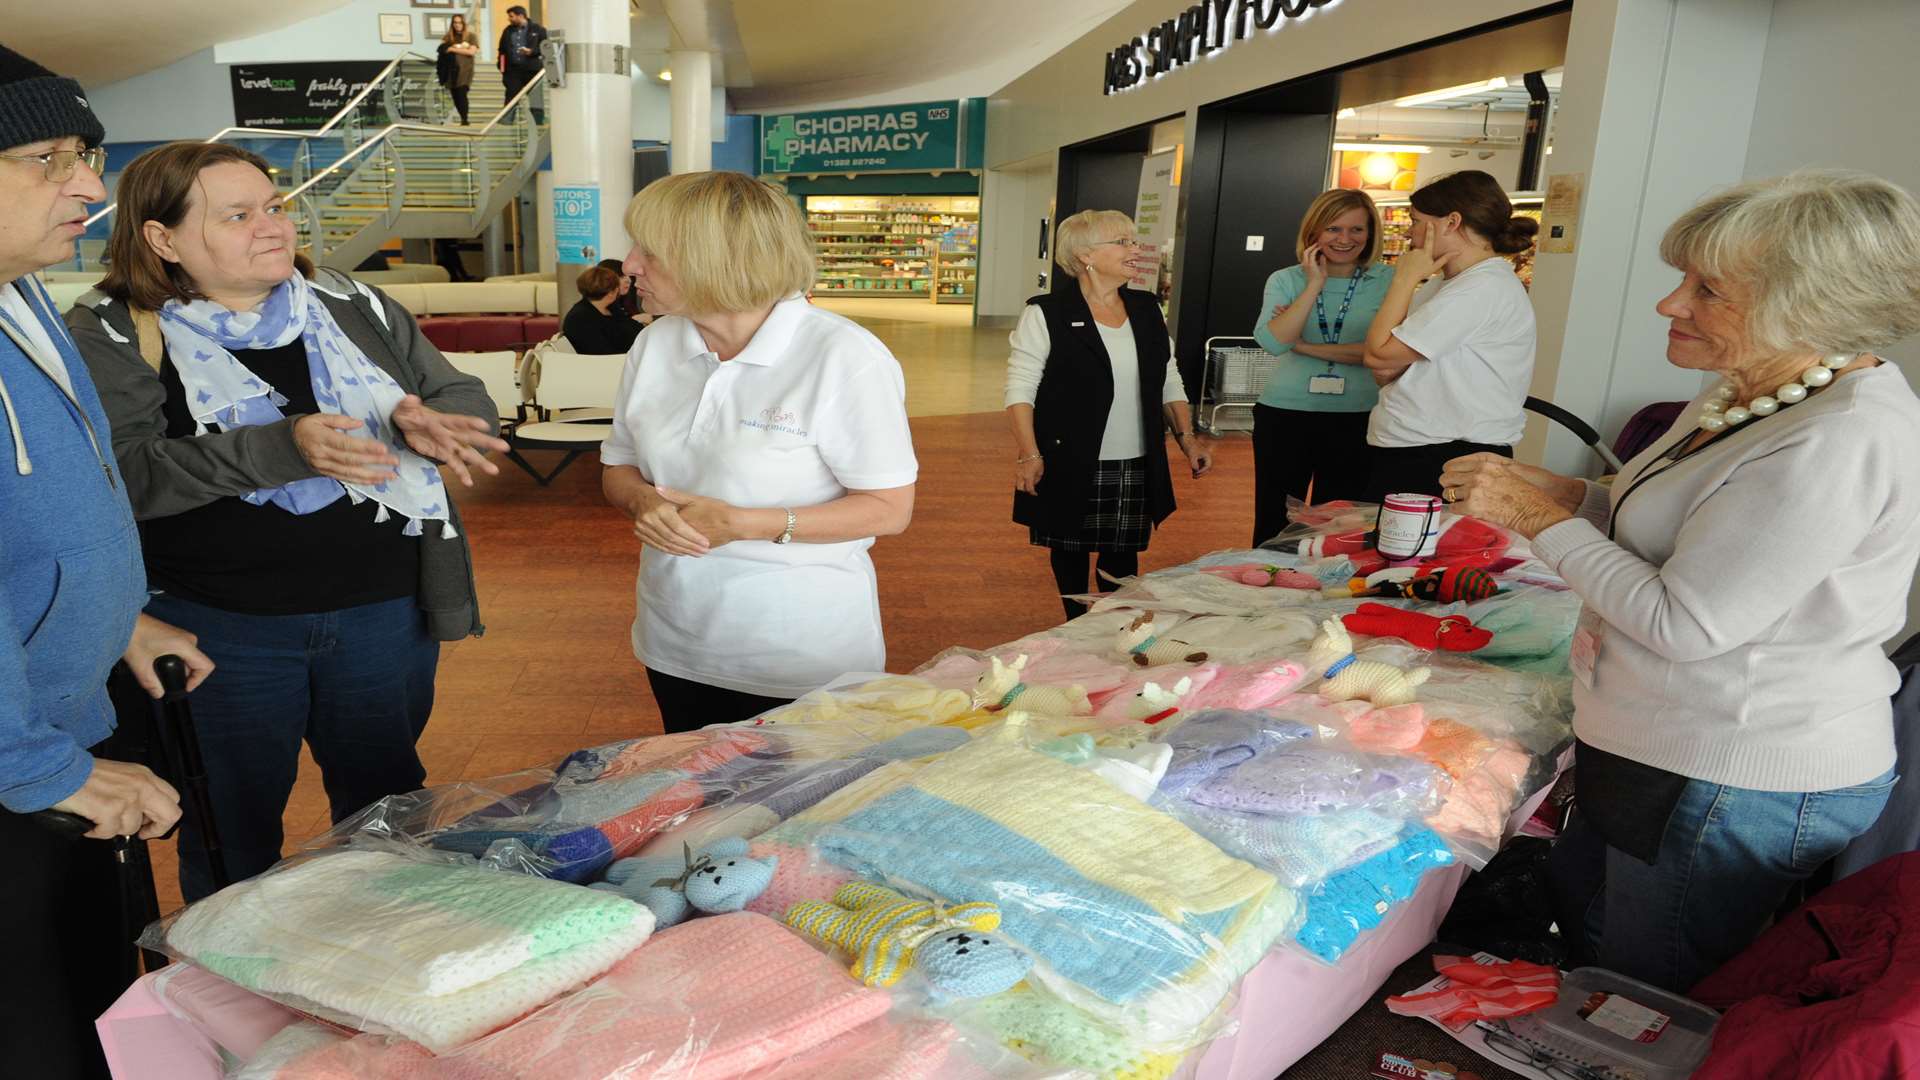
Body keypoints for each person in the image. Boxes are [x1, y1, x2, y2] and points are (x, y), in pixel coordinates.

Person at [1439, 170, 1920, 993]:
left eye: (1707, 289)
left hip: (1737, 767)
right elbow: (1683, 530)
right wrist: (1573, 496)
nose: (1671, 304)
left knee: (1647, 994)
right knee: (1596, 945)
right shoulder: (1751, 390)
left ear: (1809, 306)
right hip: (1660, 744)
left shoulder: (1840, 437)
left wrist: (1537, 519)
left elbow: (1686, 622)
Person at [65, 141, 508, 902]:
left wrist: (431, 421)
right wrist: (283, 448)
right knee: (231, 835)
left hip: (382, 614)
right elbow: (129, 477)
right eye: (237, 215)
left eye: (273, 207)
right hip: (217, 631)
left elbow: (462, 395)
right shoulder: (111, 331)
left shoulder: (348, 303)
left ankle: (390, 969)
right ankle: (240, 996)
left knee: (390, 816)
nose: (272, 227)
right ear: (161, 238)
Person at [0, 45, 213, 1080]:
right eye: (46, 157)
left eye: (82, 153)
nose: (89, 183)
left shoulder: (22, 290)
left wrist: (114, 613)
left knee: (99, 1012)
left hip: (51, 732)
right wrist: (45, 770)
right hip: (18, 769)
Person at [600, 172, 918, 733]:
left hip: (799, 655)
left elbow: (889, 509)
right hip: (674, 638)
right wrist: (641, 503)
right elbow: (618, 466)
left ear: (712, 258)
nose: (629, 265)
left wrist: (744, 523)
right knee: (702, 802)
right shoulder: (654, 343)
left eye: (649, 251)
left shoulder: (843, 356)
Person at [1007, 209, 1210, 619]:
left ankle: (1115, 624)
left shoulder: (1147, 308)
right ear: (1085, 254)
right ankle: (1075, 624)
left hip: (1135, 457)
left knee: (1122, 557)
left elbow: (1168, 377)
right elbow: (1020, 388)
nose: (1135, 249)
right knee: (1069, 549)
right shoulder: (1045, 313)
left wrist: (1187, 439)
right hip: (1069, 455)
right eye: (1123, 242)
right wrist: (1030, 454)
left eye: (1134, 241)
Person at [1360, 170, 1538, 502]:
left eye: (1416, 220)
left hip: (1446, 452)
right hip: (1419, 444)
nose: (1411, 231)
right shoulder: (1446, 284)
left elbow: (1378, 355)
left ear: (1451, 222)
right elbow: (1385, 369)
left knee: (1415, 551)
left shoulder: (1480, 288)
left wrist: (1405, 277)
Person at [1249, 188, 1392, 544]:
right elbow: (1272, 342)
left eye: (1356, 230)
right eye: (1333, 229)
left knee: (1342, 525)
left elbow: (1384, 352)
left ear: (1371, 233)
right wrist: (1315, 284)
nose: (1345, 239)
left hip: (1358, 415)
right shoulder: (1287, 279)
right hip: (1285, 414)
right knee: (1275, 520)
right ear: (1314, 232)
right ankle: (1267, 592)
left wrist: (1304, 345)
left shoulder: (1388, 281)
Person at [562, 265, 647, 354]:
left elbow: (634, 329)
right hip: (606, 363)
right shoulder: (580, 317)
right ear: (612, 292)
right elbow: (601, 352)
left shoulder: (611, 308)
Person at [497, 5, 548, 125]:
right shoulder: (507, 30)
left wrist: (532, 51)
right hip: (513, 70)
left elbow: (546, 47)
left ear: (521, 16)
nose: (509, 19)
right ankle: (507, 120)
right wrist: (502, 67)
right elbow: (502, 50)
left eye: (511, 16)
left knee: (535, 96)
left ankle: (537, 121)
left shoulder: (538, 29)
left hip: (532, 69)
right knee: (511, 94)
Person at [436, 12, 480, 126]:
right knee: (455, 95)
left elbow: (471, 52)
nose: (457, 25)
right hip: (450, 70)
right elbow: (442, 50)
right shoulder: (447, 37)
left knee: (461, 93)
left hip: (465, 69)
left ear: (464, 23)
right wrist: (452, 48)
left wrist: (452, 49)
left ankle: (465, 119)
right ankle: (462, 118)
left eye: (459, 22)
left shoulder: (471, 36)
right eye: (455, 22)